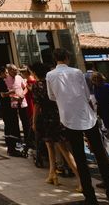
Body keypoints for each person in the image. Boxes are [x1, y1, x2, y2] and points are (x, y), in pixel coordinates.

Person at [47, 48, 109, 205]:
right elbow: (87, 94)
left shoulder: (50, 75)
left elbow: (51, 96)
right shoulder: (76, 72)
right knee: (100, 155)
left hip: (68, 118)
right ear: (67, 57)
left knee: (80, 158)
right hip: (86, 116)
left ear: (55, 59)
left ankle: (90, 196)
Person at [30, 62, 82, 191]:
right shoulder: (52, 81)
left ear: (35, 73)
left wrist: (34, 121)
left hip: (48, 118)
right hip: (59, 115)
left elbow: (37, 105)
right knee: (50, 144)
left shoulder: (38, 85)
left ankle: (82, 180)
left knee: (63, 148)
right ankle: (52, 174)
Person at [0, 67, 20, 156]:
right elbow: (3, 94)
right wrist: (13, 91)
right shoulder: (0, 81)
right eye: (5, 72)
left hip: (6, 106)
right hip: (6, 107)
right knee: (10, 125)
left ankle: (11, 146)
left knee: (9, 126)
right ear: (1, 73)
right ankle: (12, 148)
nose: (6, 74)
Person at [5, 64, 30, 145]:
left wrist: (23, 94)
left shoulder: (19, 77)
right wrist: (11, 96)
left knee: (25, 121)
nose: (16, 71)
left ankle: (28, 140)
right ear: (9, 70)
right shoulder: (6, 79)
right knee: (14, 123)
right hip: (13, 103)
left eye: (16, 69)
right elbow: (4, 92)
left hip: (22, 102)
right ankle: (17, 140)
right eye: (14, 70)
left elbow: (26, 87)